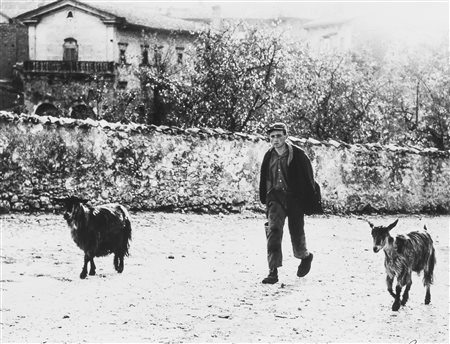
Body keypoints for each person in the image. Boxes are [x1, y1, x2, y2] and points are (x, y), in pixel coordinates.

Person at [259, 122, 319, 284]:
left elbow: (309, 179)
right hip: (275, 198)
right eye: (272, 137)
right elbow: (264, 177)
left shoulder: (298, 155)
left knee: (296, 232)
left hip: (295, 199)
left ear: (286, 136)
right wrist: (265, 197)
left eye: (279, 136)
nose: (275, 139)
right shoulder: (268, 156)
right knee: (273, 230)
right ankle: (273, 271)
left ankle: (305, 256)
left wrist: (308, 200)